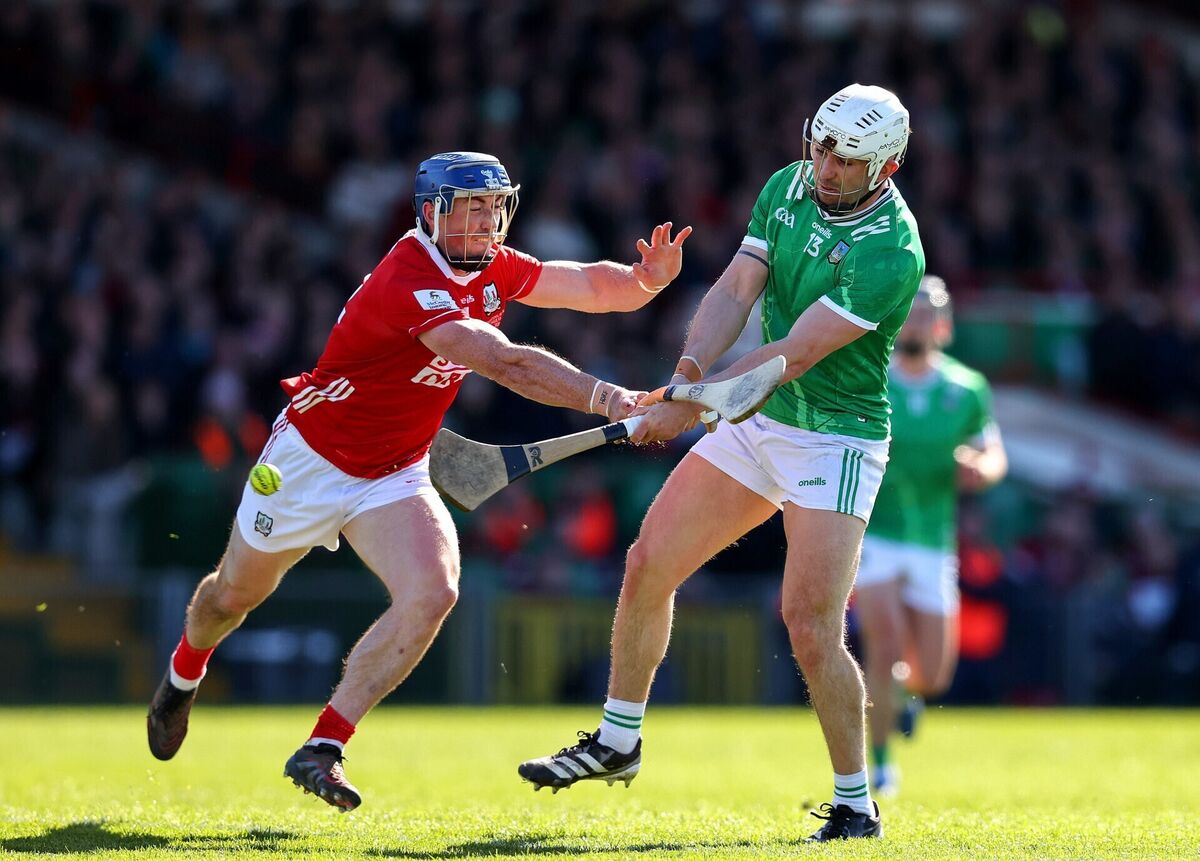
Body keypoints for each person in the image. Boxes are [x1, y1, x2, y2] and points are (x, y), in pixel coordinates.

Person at [146, 151, 691, 811]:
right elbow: (503, 360)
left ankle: (324, 744)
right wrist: (611, 398)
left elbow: (576, 282)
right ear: (431, 213)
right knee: (230, 598)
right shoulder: (410, 279)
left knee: (434, 590)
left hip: (395, 470)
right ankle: (183, 674)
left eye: (493, 207)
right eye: (469, 208)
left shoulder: (491, 263)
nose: (485, 222)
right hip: (310, 463)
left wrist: (643, 281)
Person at [519, 84, 924, 842]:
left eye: (848, 159)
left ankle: (854, 804)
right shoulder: (788, 183)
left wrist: (693, 404)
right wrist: (686, 371)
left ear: (888, 167)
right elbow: (739, 286)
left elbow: (794, 353)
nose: (827, 166)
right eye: (822, 146)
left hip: (835, 435)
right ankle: (617, 739)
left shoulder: (890, 250)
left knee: (809, 623)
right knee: (648, 564)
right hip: (760, 417)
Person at [852, 275, 1007, 797]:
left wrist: (981, 470)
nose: (916, 322)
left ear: (943, 324)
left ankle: (904, 696)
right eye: (908, 313)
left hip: (933, 542)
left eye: (926, 313)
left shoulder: (967, 389)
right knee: (884, 641)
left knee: (934, 676)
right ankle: (880, 765)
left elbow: (992, 453)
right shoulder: (874, 378)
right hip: (874, 532)